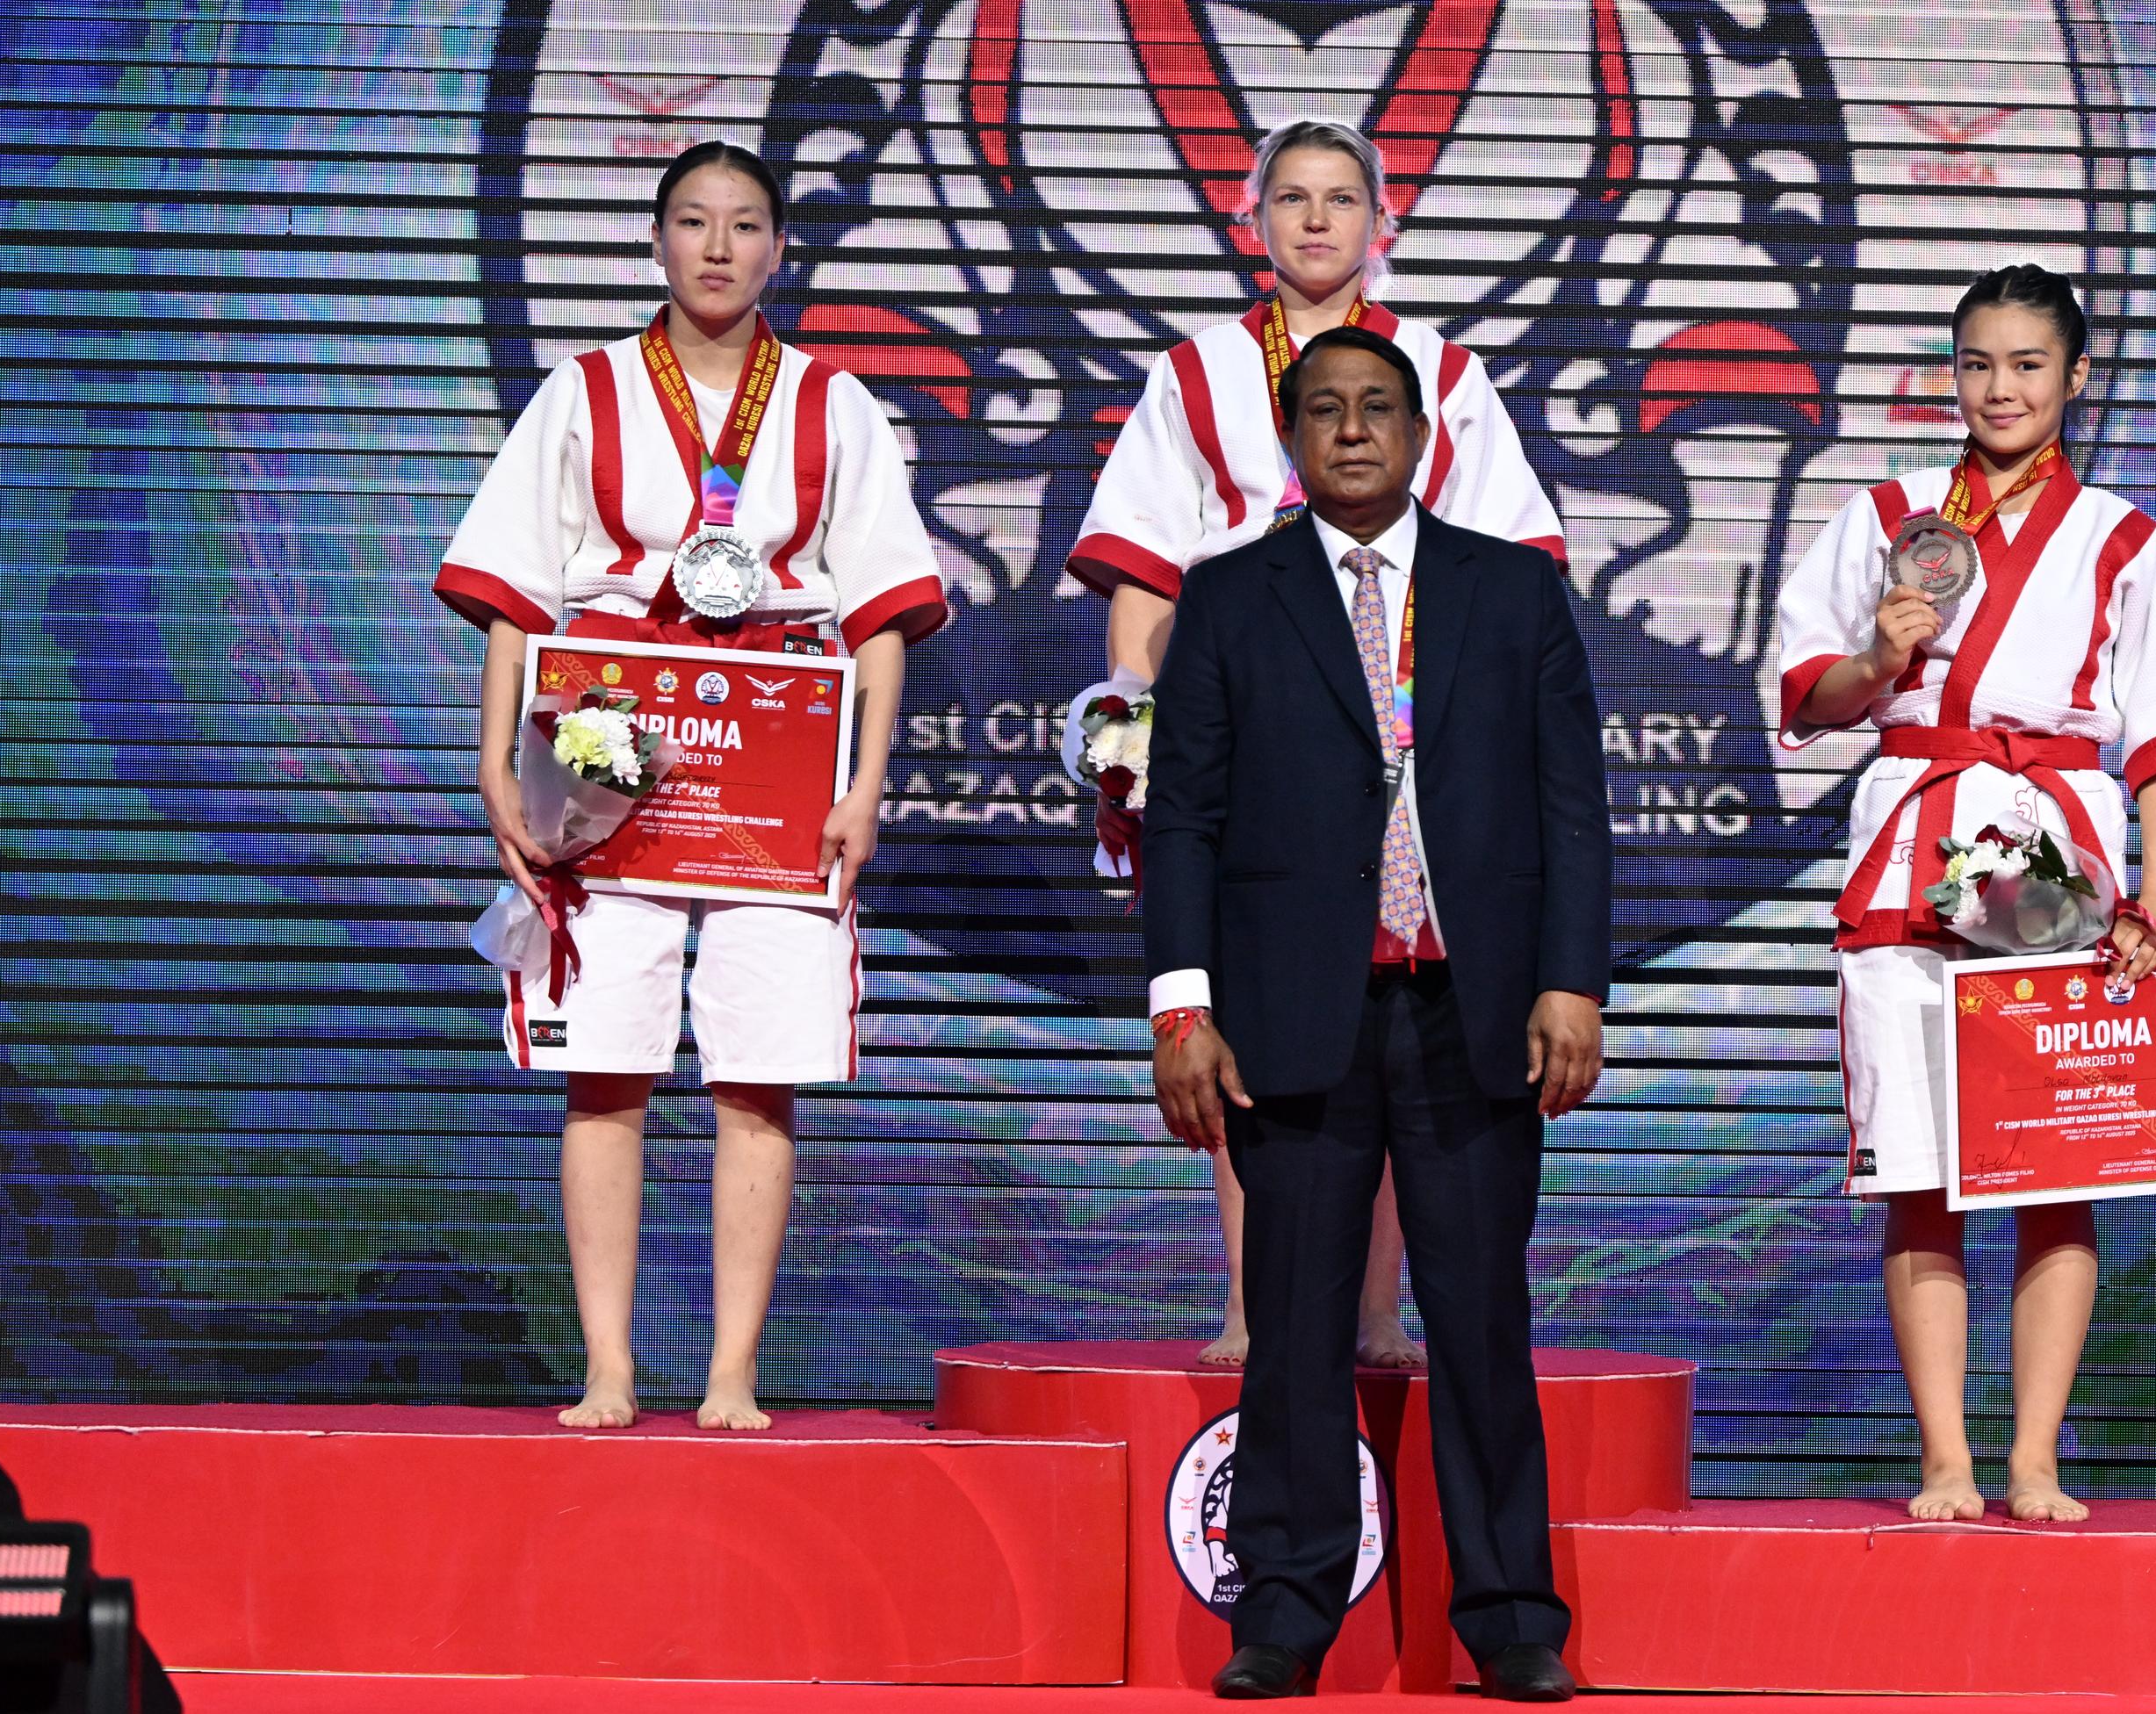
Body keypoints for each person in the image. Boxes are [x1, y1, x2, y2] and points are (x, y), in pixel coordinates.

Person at [437, 142, 948, 1431]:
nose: (719, 247)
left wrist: (868, 783)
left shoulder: (835, 404)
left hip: (777, 748)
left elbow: (879, 613)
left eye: (746, 224)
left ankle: (731, 1374)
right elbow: (516, 592)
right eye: (693, 221)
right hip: (600, 736)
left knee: (757, 1073)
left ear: (780, 246)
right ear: (655, 239)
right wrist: (497, 761)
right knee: (605, 1066)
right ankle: (608, 1368)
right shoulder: (585, 390)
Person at [1141, 324, 1608, 1702]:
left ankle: (1512, 1614)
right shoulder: (1230, 597)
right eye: (1325, 410)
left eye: (1377, 408)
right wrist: (1182, 1009)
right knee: (1293, 1323)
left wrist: (1572, 980)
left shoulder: (1509, 591)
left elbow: (1572, 807)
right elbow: (1183, 818)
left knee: (1481, 1317)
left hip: (1475, 1008)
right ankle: (1284, 1612)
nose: (1352, 429)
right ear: (1291, 438)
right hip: (1295, 1012)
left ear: (1421, 434)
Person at [1069, 116, 1567, 1372]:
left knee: (1401, 1021)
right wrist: (1132, 719)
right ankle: (1258, 1303)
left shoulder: (1443, 372)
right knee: (1262, 1024)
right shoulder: (1196, 371)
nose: (1315, 220)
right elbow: (1146, 564)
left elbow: (1508, 562)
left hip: (1402, 726)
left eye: (1341, 198)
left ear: (1383, 221)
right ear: (1254, 219)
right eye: (1290, 197)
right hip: (1253, 712)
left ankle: (1379, 1309)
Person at [1768, 267, 2156, 1524]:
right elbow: (1807, 696)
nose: (2001, 389)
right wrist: (1880, 656)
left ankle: (2033, 1455)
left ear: (2076, 376)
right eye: (1978, 363)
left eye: (2028, 364)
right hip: (1914, 844)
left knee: (2055, 1163)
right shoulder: (1887, 515)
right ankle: (1946, 1458)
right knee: (1920, 1171)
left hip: (2056, 848)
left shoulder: (2124, 537)